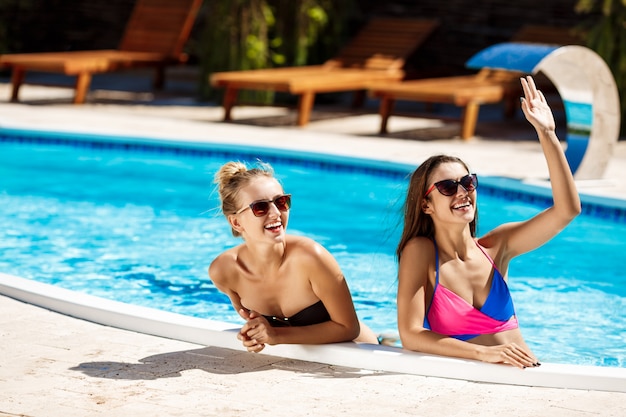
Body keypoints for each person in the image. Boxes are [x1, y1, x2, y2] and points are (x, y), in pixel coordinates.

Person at [395, 76, 581, 368]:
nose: (462, 192)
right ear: (425, 205)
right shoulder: (420, 252)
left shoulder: (497, 246)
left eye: (467, 182)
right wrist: (485, 354)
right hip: (482, 383)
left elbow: (567, 210)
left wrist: (547, 134)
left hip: (531, 376)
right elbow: (411, 334)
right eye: (447, 187)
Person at [209, 160, 379, 353]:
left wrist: (276, 336)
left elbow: (349, 328)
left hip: (361, 354)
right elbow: (256, 323)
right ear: (236, 222)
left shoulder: (311, 257)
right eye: (261, 207)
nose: (275, 213)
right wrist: (254, 334)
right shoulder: (224, 271)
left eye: (281, 202)